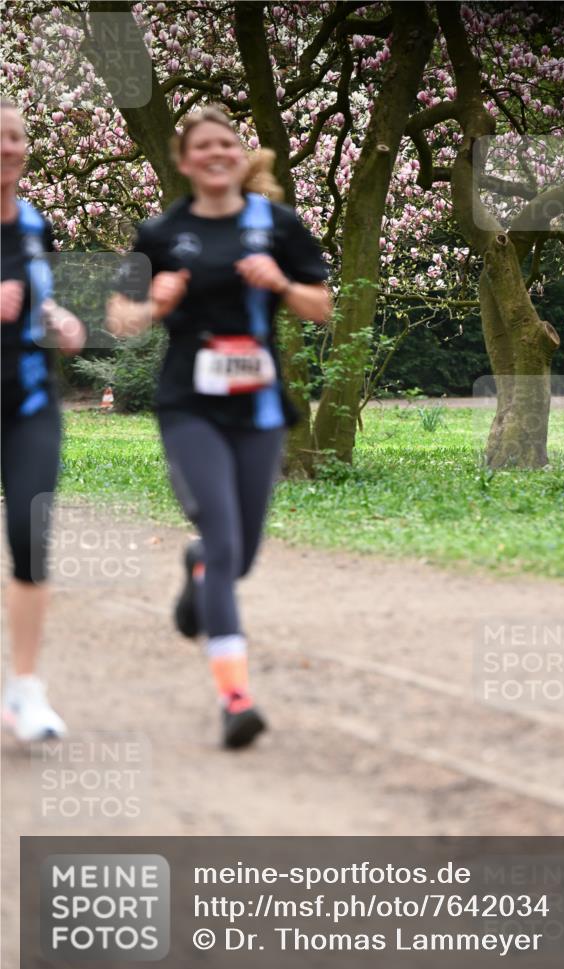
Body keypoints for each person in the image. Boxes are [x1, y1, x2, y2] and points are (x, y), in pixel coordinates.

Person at [107, 106, 331, 749]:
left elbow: (321, 308)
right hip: (190, 404)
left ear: (239, 154)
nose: (215, 153)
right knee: (223, 529)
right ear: (184, 162)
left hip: (259, 403)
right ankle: (236, 696)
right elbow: (121, 318)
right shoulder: (159, 232)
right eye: (201, 146)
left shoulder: (277, 225)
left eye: (225, 143)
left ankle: (200, 567)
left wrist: (281, 283)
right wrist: (158, 304)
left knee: (240, 553)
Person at [1, 98, 86, 741]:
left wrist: (59, 321)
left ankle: (25, 691)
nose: (6, 148)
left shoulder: (35, 226)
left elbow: (41, 295)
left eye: (14, 137)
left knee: (31, 538)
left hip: (29, 404)